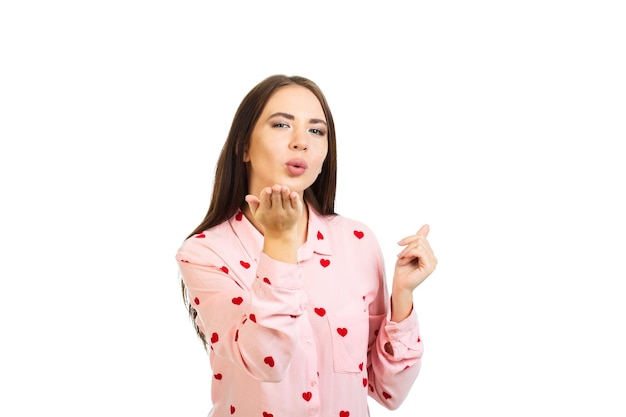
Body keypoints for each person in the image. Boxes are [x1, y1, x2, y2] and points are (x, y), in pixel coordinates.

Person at [175, 74, 437, 416]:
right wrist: (280, 243)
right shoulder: (205, 253)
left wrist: (402, 297)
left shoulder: (357, 243)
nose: (302, 142)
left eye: (316, 130)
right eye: (282, 125)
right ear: (243, 146)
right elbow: (266, 360)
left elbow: (390, 391)